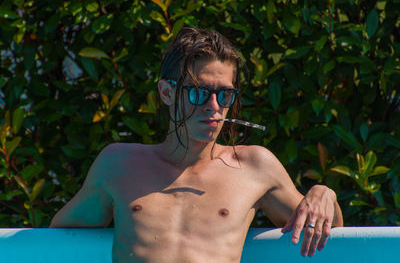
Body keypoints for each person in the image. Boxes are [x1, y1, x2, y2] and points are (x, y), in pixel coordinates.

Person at [50, 27, 343, 263]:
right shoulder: (119, 164)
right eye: (199, 93)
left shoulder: (254, 166)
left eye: (225, 95)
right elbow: (55, 239)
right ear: (166, 92)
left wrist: (324, 193)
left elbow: (331, 230)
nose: (214, 107)